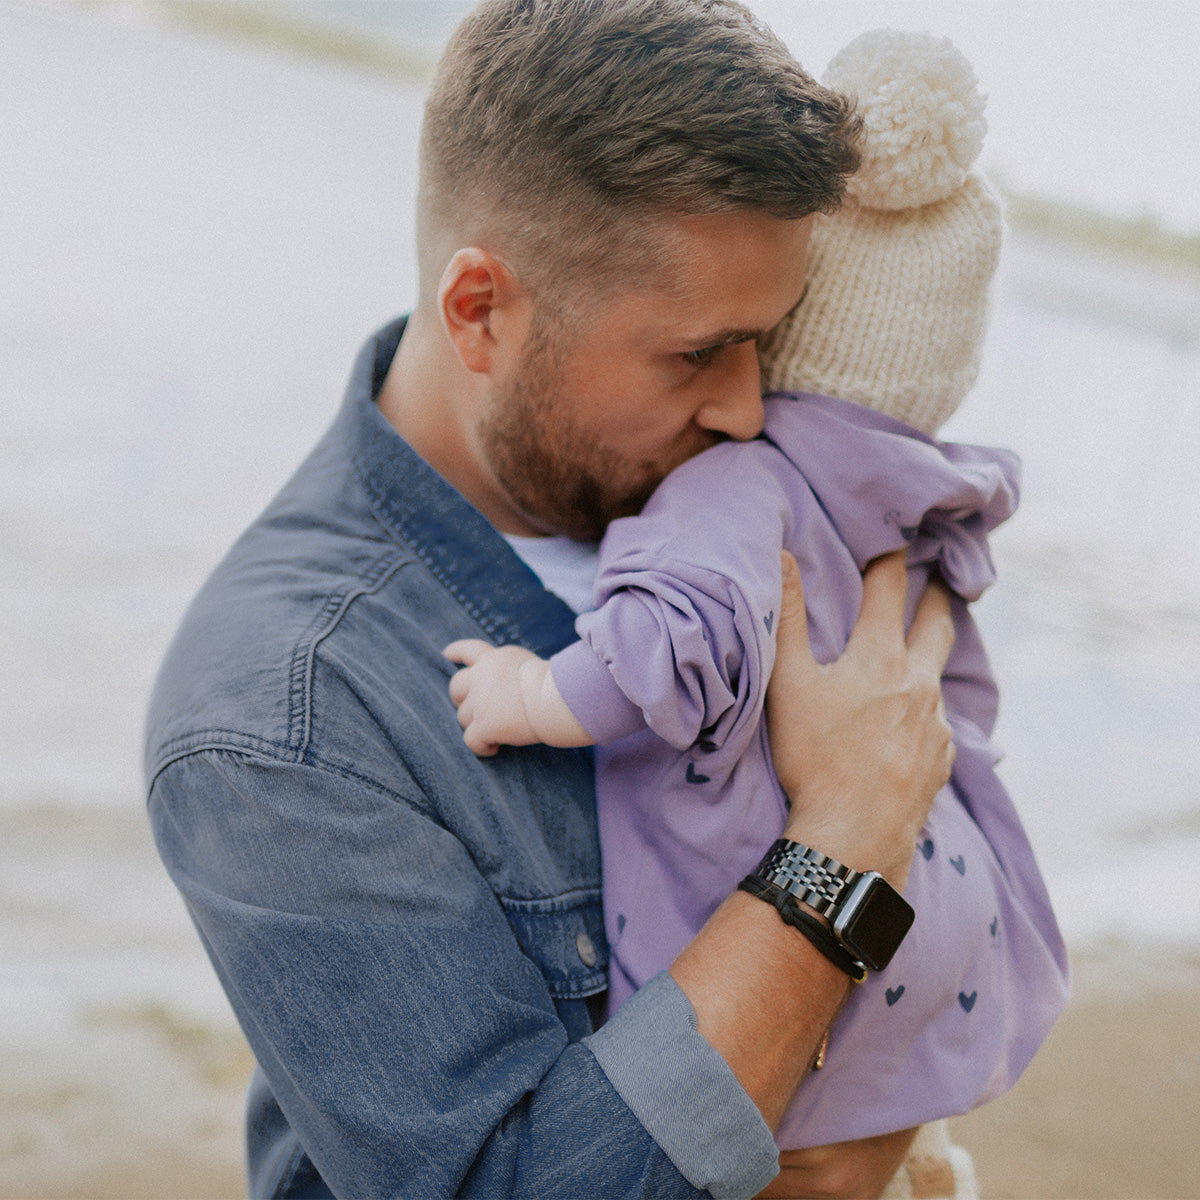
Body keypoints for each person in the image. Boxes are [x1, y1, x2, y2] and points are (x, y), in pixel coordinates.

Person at [148, 3, 987, 1196]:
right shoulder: (285, 714)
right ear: (481, 310)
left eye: (769, 338)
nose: (749, 408)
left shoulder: (754, 500)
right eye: (697, 353)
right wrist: (848, 837)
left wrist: (880, 1097)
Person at [443, 28, 1070, 1199]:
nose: (730, 400)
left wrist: (530, 692)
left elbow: (659, 653)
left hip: (814, 938)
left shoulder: (740, 484)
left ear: (792, 327)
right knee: (887, 1110)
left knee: (790, 1134)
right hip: (944, 910)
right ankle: (926, 1159)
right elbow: (959, 716)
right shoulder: (930, 504)